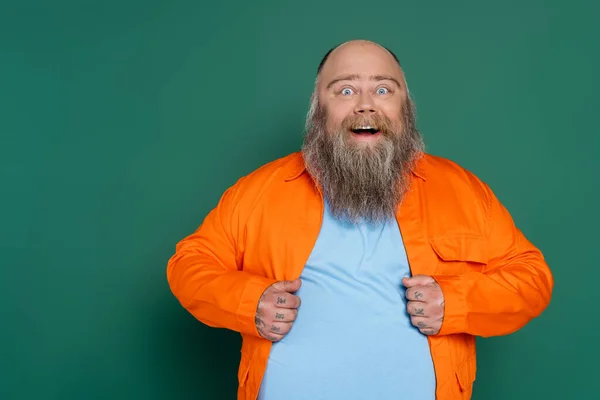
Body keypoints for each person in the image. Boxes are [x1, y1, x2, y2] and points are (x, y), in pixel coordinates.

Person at [166, 39, 554, 400]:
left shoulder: (462, 189)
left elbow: (531, 277)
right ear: (318, 106)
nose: (365, 105)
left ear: (406, 106)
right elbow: (189, 265)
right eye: (345, 90)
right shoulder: (259, 190)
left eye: (383, 89)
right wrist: (248, 302)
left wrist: (456, 302)